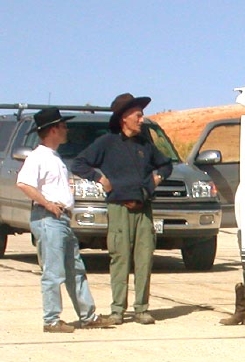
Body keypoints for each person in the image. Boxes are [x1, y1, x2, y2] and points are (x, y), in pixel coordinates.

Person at [73, 93, 173, 325]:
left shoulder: (145, 144)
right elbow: (80, 163)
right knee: (120, 258)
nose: (141, 119)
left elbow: (166, 165)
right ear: (123, 118)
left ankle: (141, 309)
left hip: (144, 210)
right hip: (119, 209)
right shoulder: (106, 143)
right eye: (138, 115)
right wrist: (99, 180)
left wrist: (156, 179)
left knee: (144, 258)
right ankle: (117, 310)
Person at [16, 108, 115, 333]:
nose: (66, 130)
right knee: (53, 271)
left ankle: (88, 315)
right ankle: (51, 319)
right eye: (63, 126)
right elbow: (23, 183)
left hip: (61, 220)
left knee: (75, 268)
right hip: (49, 218)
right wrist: (47, 203)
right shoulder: (38, 156)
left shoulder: (54, 157)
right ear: (53, 130)